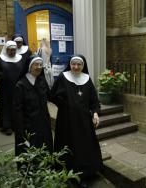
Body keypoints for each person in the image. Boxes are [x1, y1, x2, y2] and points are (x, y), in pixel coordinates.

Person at [50, 54, 103, 182]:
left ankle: (87, 172)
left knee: (85, 146)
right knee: (69, 145)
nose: (76, 67)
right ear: (70, 64)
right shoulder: (63, 77)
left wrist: (95, 113)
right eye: (74, 64)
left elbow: (94, 100)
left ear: (83, 66)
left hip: (84, 121)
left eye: (79, 64)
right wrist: (64, 105)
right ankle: (68, 172)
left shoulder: (87, 78)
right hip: (67, 121)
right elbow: (52, 95)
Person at [13, 55, 53, 161]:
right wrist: (20, 131)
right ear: (29, 66)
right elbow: (18, 110)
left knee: (45, 149)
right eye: (36, 64)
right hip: (28, 125)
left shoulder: (42, 81)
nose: (39, 67)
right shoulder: (20, 85)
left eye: (41, 65)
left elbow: (52, 96)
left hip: (43, 123)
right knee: (30, 151)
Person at [0, 40, 23, 135]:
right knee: (6, 106)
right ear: (6, 50)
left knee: (17, 105)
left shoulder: (20, 58)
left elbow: (23, 71)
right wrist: (2, 78)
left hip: (18, 87)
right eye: (10, 50)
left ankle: (16, 125)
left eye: (14, 50)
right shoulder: (1, 59)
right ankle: (7, 126)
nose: (13, 52)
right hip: (5, 88)